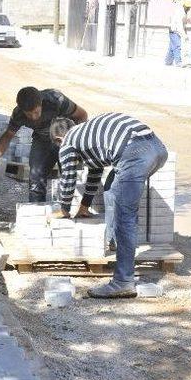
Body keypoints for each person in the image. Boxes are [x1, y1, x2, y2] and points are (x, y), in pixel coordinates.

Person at [49, 113, 168, 298]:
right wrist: (83, 206)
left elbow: (69, 175)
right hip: (158, 148)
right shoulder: (87, 135)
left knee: (125, 216)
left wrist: (63, 208)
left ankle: (123, 282)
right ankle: (112, 241)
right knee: (112, 189)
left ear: (58, 139)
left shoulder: (67, 142)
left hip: (135, 152)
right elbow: (95, 172)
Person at [0, 87, 88, 202]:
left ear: (41, 103)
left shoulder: (55, 99)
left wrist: (75, 143)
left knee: (70, 176)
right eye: (29, 114)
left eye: (36, 112)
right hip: (42, 141)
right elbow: (8, 135)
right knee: (35, 179)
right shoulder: (18, 114)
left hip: (65, 139)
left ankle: (72, 211)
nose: (33, 117)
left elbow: (82, 116)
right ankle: (37, 213)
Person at [165, 1, 189, 66]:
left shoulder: (183, 12)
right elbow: (179, 26)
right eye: (187, 7)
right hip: (174, 30)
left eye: (188, 7)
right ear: (184, 6)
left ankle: (168, 61)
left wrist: (184, 33)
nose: (188, 8)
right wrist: (184, 35)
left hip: (174, 30)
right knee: (177, 46)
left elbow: (183, 25)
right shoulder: (180, 13)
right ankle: (178, 62)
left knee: (172, 47)